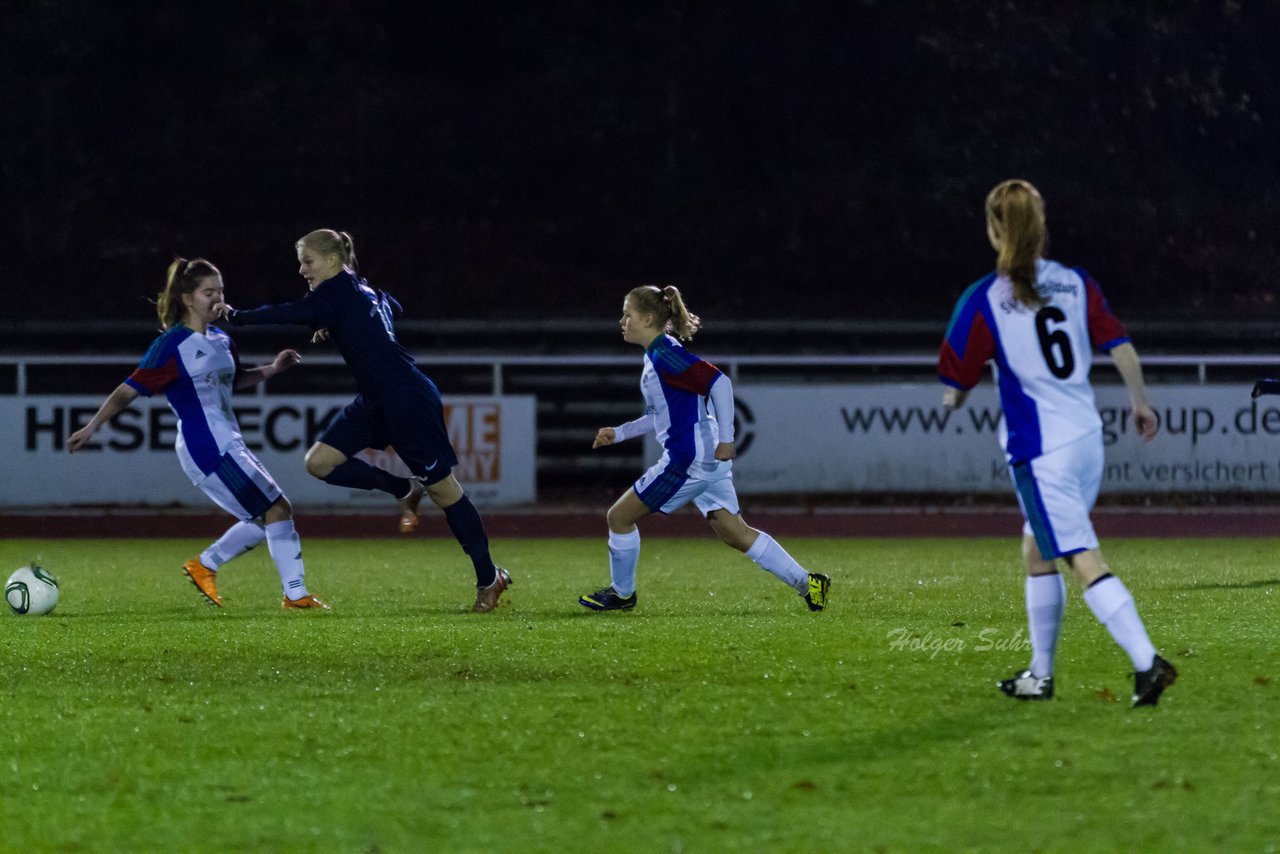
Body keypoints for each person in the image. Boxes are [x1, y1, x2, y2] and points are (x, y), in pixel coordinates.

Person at [937, 178, 1176, 706]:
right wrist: (1140, 403)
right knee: (1036, 548)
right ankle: (1040, 675)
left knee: (1079, 555)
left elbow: (955, 385)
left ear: (995, 230)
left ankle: (1146, 661)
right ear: (1042, 228)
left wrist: (952, 400)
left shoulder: (984, 298)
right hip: (1088, 439)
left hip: (1041, 450)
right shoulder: (1075, 281)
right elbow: (1120, 344)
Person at [214, 229, 511, 613]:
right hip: (376, 401)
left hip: (407, 399)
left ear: (333, 260)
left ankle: (490, 579)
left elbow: (288, 313)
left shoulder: (336, 292)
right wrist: (340, 321)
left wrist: (237, 316)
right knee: (319, 463)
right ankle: (402, 489)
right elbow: (394, 308)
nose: (303, 270)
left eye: (308, 261)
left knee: (444, 492)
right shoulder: (362, 290)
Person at [67, 258, 328, 610]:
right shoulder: (172, 346)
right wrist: (92, 426)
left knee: (263, 515)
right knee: (277, 508)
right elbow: (128, 390)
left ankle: (206, 565)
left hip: (227, 441)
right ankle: (294, 596)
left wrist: (273, 368)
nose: (218, 299)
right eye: (209, 292)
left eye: (221, 291)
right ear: (188, 298)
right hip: (206, 446)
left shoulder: (221, 339)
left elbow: (235, 381)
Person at [579, 284, 830, 612]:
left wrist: (727, 440)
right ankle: (810, 584)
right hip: (704, 460)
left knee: (619, 518)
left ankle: (622, 594)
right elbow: (660, 414)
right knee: (735, 533)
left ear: (649, 317)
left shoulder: (665, 353)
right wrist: (620, 432)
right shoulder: (656, 354)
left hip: (689, 460)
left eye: (628, 314)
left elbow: (720, 383)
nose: (622, 321)